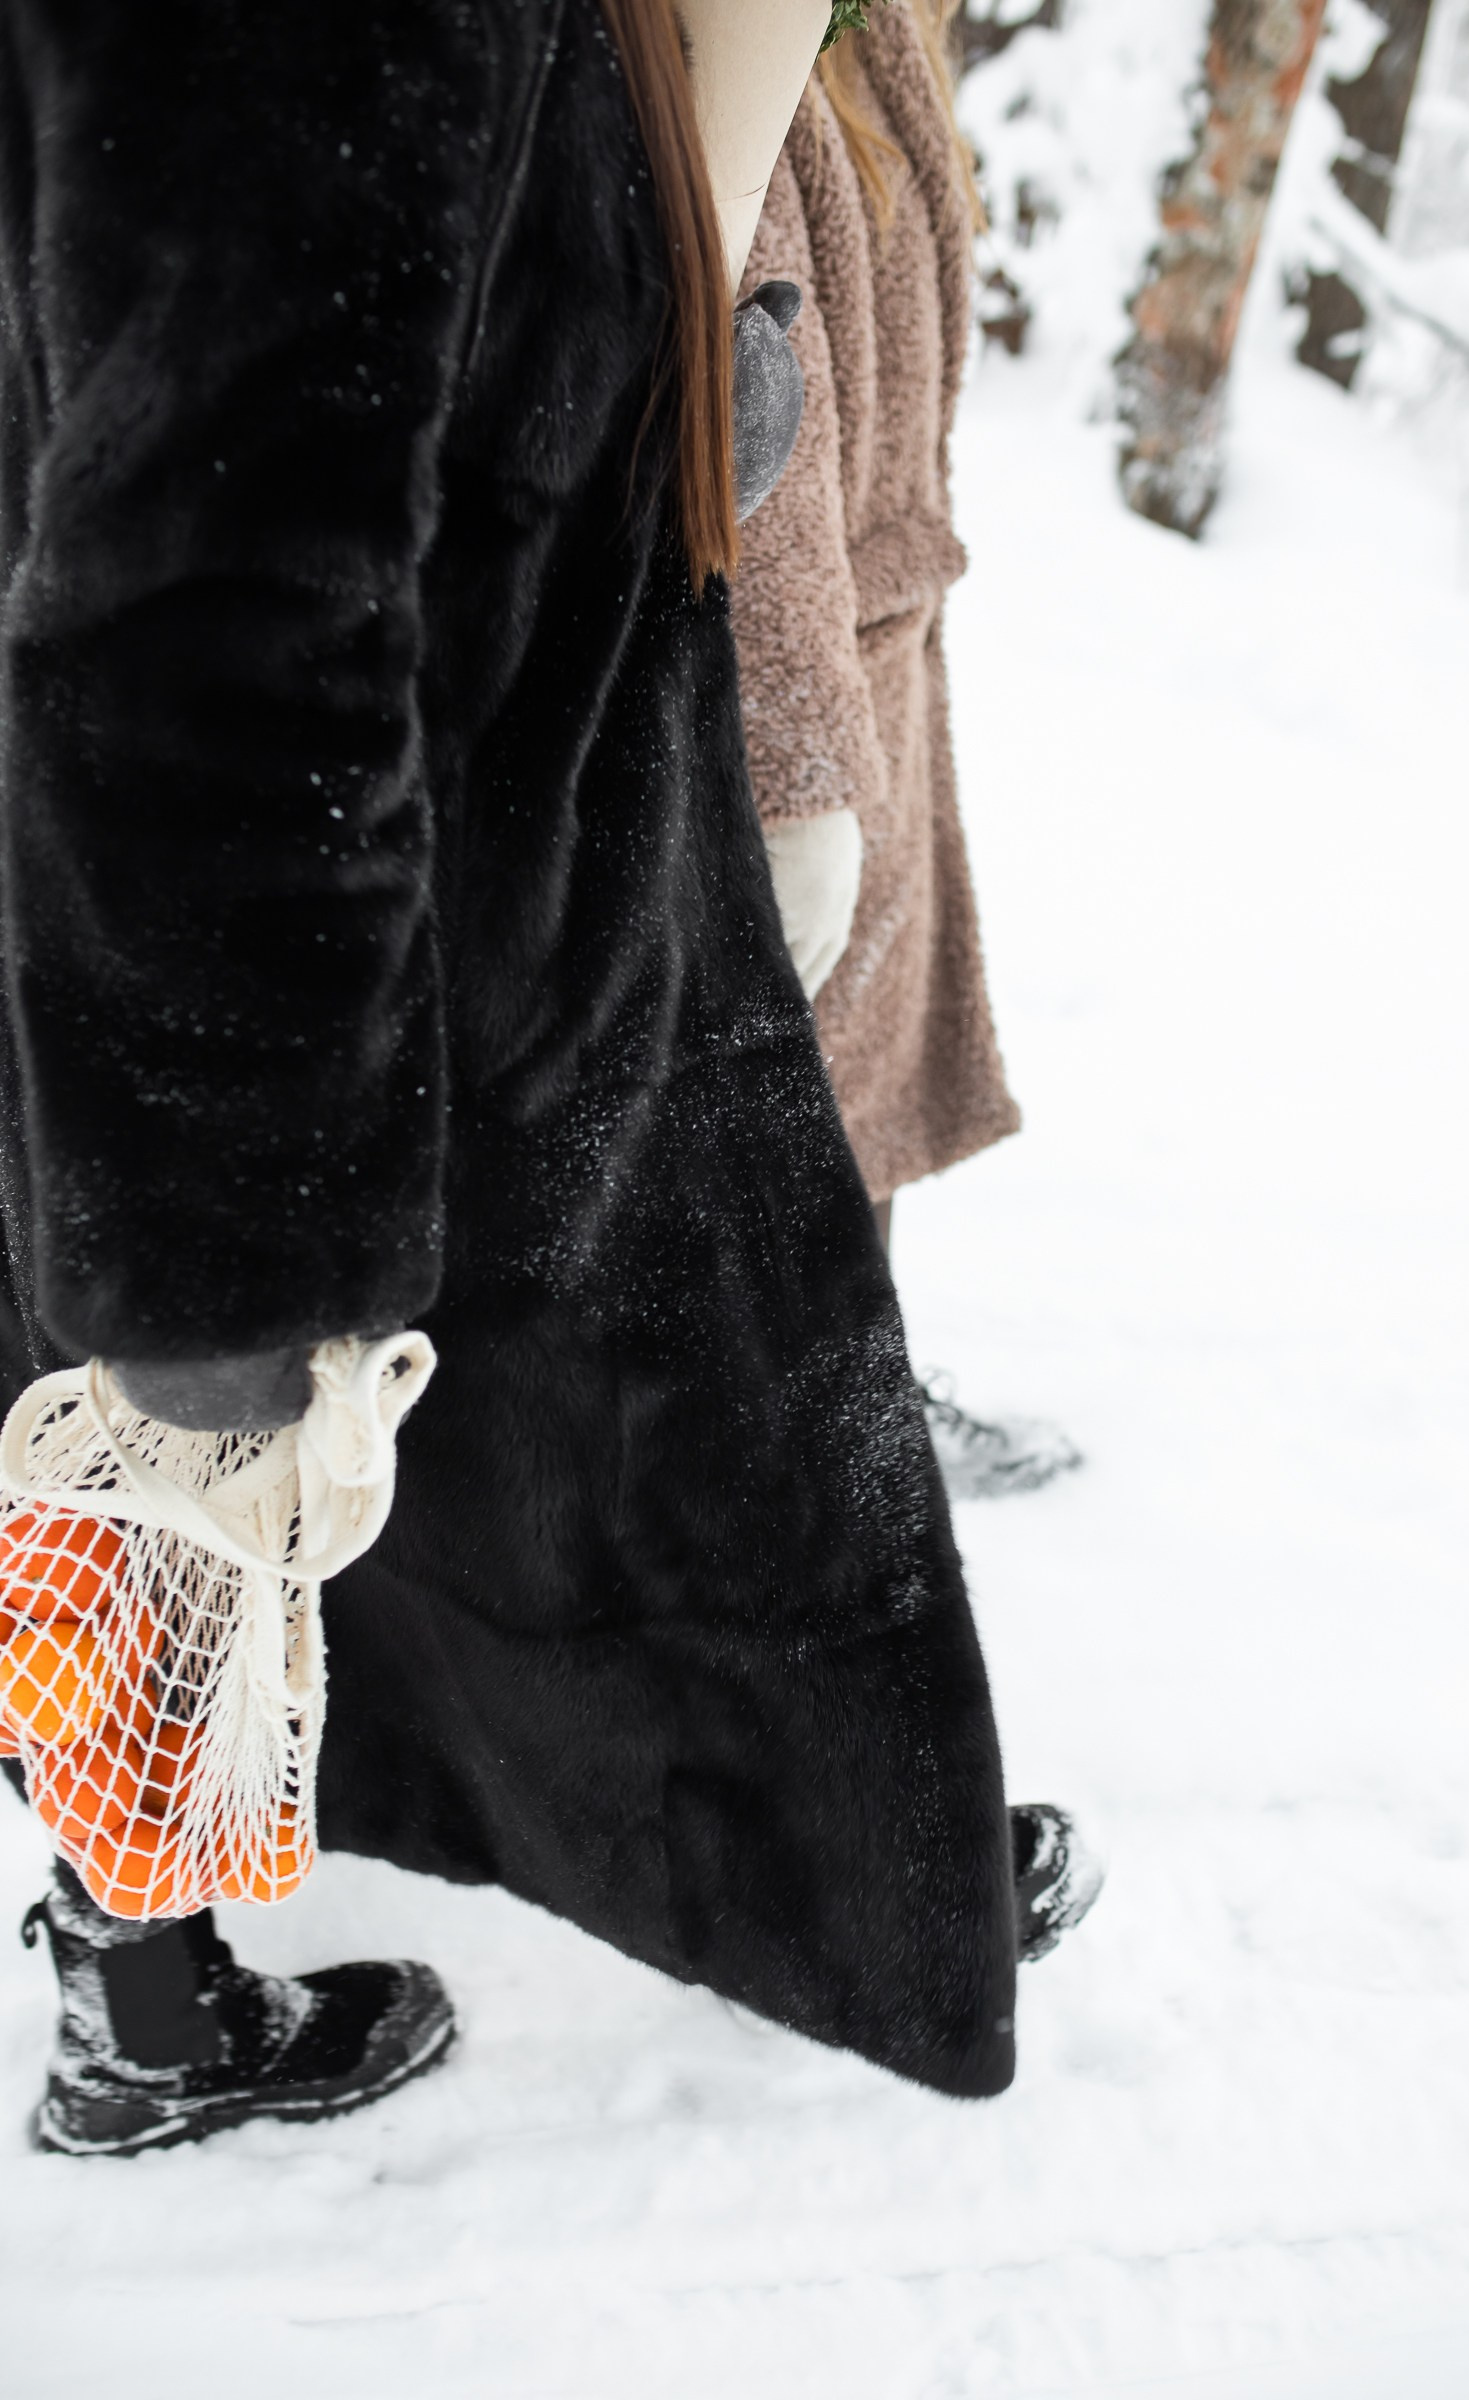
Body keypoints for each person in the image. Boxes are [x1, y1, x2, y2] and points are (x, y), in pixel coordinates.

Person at [0, 0, 1096, 2159]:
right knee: (197, 1436)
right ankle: (152, 1980)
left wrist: (663, 376)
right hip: (356, 882)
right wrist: (219, 1232)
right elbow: (208, 581)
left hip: (393, 849)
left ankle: (822, 1855)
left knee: (397, 1428)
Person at [732, 0, 1082, 1499]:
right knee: (771, 1100)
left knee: (855, 1094)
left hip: (878, 642)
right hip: (795, 670)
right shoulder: (755, 41)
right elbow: (757, 395)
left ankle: (851, 1422)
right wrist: (802, 757)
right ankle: (782, 1478)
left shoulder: (885, 30)